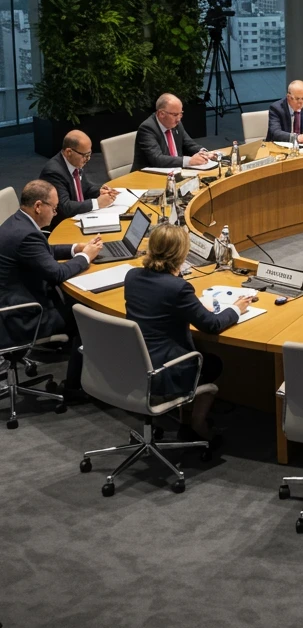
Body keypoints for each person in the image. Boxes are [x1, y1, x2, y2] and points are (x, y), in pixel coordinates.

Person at [123, 222, 250, 443]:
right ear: (182, 254)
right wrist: (236, 309)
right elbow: (211, 325)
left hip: (134, 364)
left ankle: (185, 416)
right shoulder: (177, 288)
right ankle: (197, 424)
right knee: (212, 364)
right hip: (164, 371)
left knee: (194, 347)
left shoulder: (132, 276)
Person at [0, 180, 103, 400]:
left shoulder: (18, 222)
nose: (56, 213)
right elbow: (57, 274)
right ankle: (74, 388)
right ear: (38, 206)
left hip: (10, 301)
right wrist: (86, 257)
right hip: (22, 316)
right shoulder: (27, 235)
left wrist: (76, 248)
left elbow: (43, 251)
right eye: (54, 208)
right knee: (86, 318)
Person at [39, 130, 119, 226]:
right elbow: (65, 207)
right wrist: (97, 203)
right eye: (85, 155)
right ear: (69, 152)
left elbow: (85, 188)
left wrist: (100, 192)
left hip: (78, 218)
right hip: (61, 225)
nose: (88, 159)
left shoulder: (75, 162)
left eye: (89, 154)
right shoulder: (53, 172)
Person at [132, 94, 218, 172]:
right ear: (161, 114)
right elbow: (157, 159)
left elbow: (189, 144)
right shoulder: (148, 128)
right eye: (175, 115)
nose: (178, 119)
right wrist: (189, 161)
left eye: (181, 114)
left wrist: (203, 153)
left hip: (175, 172)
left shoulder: (176, 124)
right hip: (147, 177)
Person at [267, 80, 303, 144]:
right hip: (279, 146)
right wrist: (298, 138)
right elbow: (275, 133)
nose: (300, 102)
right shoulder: (276, 108)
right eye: (297, 99)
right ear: (289, 97)